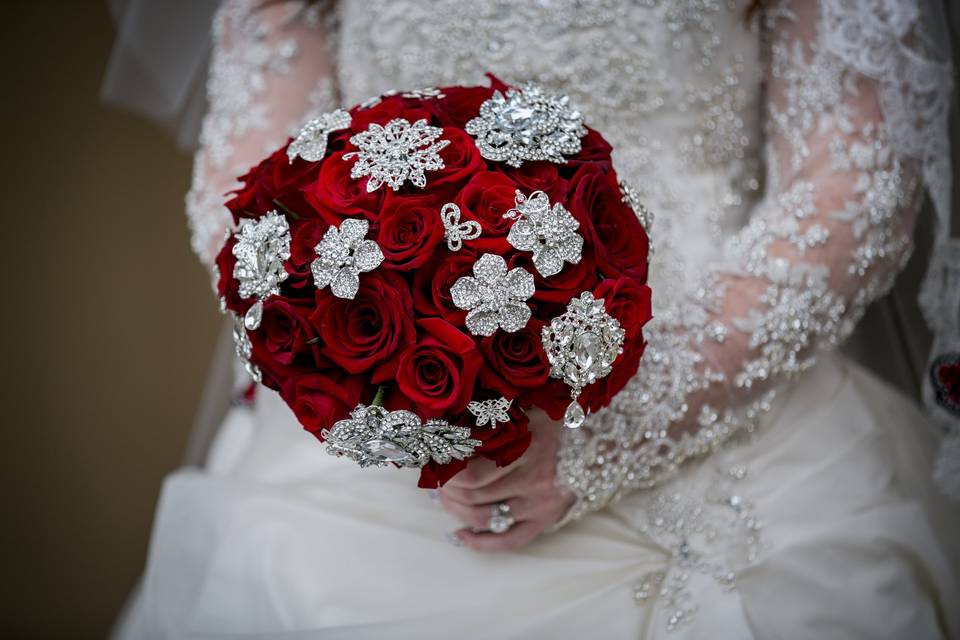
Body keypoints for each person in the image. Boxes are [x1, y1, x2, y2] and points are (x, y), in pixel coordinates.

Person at [114, 0, 960, 637]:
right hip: (380, 459)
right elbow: (254, 191)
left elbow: (856, 185)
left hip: (725, 401)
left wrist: (618, 424)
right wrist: (400, 387)